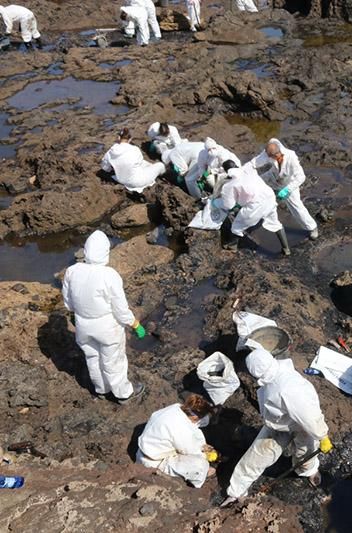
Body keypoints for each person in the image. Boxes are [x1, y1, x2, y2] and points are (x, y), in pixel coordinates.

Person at [222, 349, 333, 507]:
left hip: (304, 425)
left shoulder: (288, 389)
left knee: (306, 452)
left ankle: (308, 471)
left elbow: (309, 415)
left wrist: (322, 436)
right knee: (257, 457)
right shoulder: (277, 371)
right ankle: (237, 491)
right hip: (279, 423)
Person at [62, 231, 146, 404]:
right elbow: (121, 309)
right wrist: (135, 324)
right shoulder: (109, 275)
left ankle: (101, 389)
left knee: (93, 358)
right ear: (106, 252)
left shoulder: (72, 271)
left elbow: (68, 303)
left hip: (83, 326)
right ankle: (123, 394)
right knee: (113, 361)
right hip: (107, 328)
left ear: (86, 251)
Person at [136, 394, 217, 487]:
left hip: (149, 448)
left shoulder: (177, 407)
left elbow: (192, 427)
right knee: (200, 466)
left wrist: (202, 443)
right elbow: (191, 451)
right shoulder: (180, 428)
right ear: (195, 417)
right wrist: (205, 453)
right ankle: (198, 480)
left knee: (199, 425)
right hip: (154, 462)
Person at [246, 138, 318, 241]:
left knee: (297, 207)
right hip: (273, 176)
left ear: (276, 155)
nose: (266, 157)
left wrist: (287, 190)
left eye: (268, 157)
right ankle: (246, 215)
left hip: (288, 184)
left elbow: (301, 177)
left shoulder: (291, 158)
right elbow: (255, 162)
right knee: (254, 184)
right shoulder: (271, 148)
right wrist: (242, 171)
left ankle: (312, 228)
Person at [212, 160, 290, 254]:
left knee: (237, 226)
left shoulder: (230, 185)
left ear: (226, 172)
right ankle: (286, 249)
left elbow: (228, 205)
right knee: (275, 223)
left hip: (255, 206)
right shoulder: (249, 171)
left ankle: (232, 247)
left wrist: (215, 203)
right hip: (269, 198)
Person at [101, 128, 165, 192]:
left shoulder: (111, 151)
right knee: (160, 165)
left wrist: (114, 167)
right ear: (130, 139)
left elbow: (105, 167)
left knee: (143, 163)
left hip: (121, 180)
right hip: (137, 182)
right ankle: (163, 175)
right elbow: (140, 163)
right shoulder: (134, 149)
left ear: (118, 138)